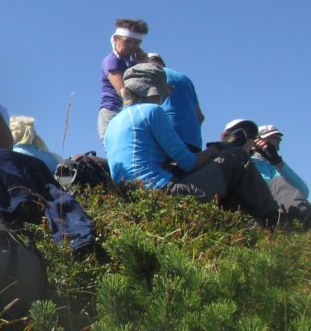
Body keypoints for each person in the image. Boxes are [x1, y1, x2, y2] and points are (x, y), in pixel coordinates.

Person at [103, 64, 277, 223]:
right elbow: (189, 163)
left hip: (133, 199)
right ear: (154, 90)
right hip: (165, 194)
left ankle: (244, 224)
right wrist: (217, 148)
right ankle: (274, 221)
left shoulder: (113, 122)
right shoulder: (152, 111)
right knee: (236, 157)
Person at [98, 18, 148, 142]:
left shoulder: (131, 63)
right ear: (116, 39)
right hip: (113, 112)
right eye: (128, 41)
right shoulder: (112, 61)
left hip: (129, 112)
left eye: (136, 43)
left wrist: (142, 65)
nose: (132, 46)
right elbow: (124, 93)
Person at [145, 52, 205, 152]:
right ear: (162, 63)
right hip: (194, 140)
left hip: (169, 136)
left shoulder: (152, 75)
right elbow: (200, 116)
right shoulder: (185, 79)